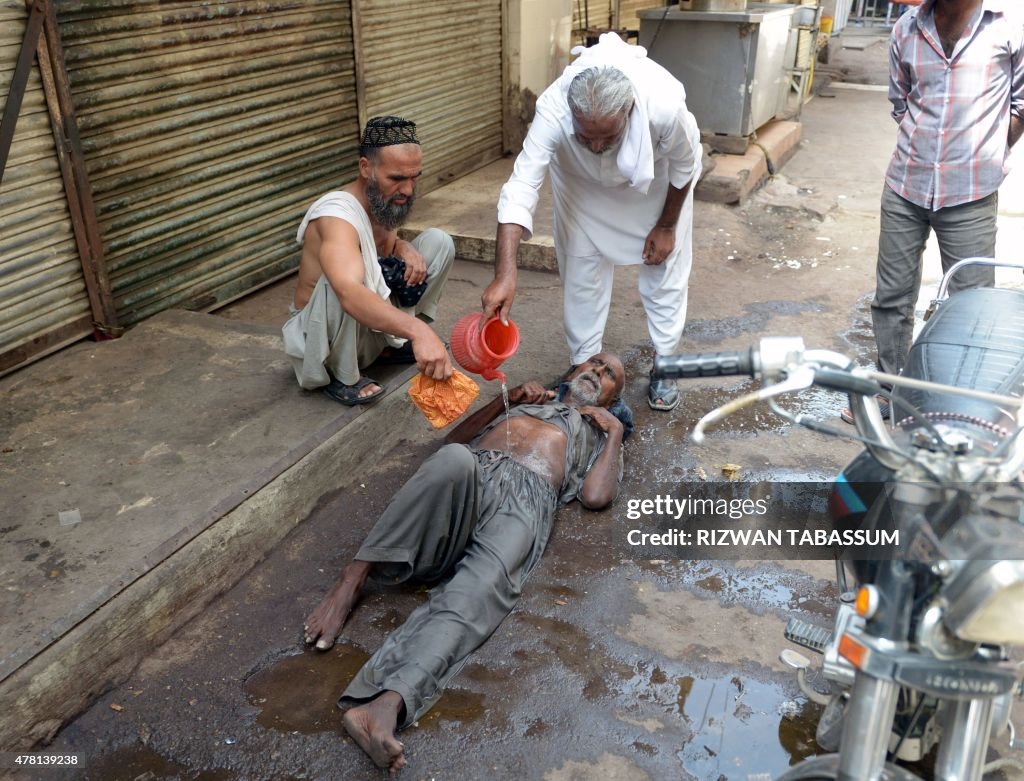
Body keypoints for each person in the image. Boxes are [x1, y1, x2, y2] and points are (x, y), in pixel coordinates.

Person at [302, 354, 628, 775]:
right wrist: (504, 400)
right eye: (595, 364)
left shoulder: (599, 431)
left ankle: (386, 704)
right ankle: (352, 580)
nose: (596, 373)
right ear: (571, 370)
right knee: (453, 458)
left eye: (608, 377)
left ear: (612, 397)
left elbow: (597, 497)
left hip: (526, 503)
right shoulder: (527, 400)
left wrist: (616, 431)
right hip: (472, 477)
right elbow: (453, 440)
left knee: (477, 593)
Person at [482, 33, 701, 412]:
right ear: (572, 117)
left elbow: (685, 164)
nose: (598, 147)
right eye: (587, 137)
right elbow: (521, 185)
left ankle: (665, 361)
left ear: (630, 111)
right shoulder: (553, 109)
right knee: (581, 270)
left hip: (653, 186)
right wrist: (505, 271)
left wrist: (667, 225)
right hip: (580, 187)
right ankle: (583, 358)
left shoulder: (663, 107)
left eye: (608, 137)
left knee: (664, 270)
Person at [848, 0, 1023, 423]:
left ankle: (961, 405)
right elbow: (900, 100)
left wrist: (991, 149)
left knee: (971, 305)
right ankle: (891, 391)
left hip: (971, 192)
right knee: (891, 298)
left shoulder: (1009, 28)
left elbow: (1021, 102)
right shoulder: (907, 27)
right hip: (906, 184)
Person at [282, 116, 455, 406]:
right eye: (397, 179)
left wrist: (402, 246)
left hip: (367, 330)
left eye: (414, 177)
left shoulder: (384, 199)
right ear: (366, 168)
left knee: (439, 242)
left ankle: (389, 349)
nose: (409, 190)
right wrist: (420, 331)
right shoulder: (337, 216)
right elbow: (349, 292)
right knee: (343, 281)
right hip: (322, 341)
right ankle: (342, 374)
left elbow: (377, 250)